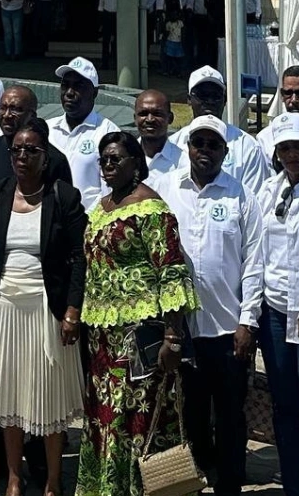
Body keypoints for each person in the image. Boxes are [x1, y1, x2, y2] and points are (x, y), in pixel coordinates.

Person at [0, 114, 86, 496]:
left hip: (46, 310)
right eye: (16, 149)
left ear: (45, 156)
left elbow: (80, 257)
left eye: (30, 150)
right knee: (10, 394)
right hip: (1, 308)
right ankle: (14, 477)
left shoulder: (62, 196)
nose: (22, 156)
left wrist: (72, 310)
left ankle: (52, 480)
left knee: (47, 398)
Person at [77, 131, 196, 496]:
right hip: (102, 338)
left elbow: (172, 272)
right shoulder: (101, 207)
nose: (108, 166)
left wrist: (173, 339)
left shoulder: (152, 208)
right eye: (103, 160)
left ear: (136, 164)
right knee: (105, 418)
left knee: (139, 418)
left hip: (139, 338)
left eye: (115, 159)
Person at [156, 115, 261, 496]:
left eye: (213, 145)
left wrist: (248, 322)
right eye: (198, 143)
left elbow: (254, 263)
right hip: (182, 328)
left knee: (231, 416)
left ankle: (230, 484)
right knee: (191, 414)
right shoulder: (167, 188)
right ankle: (195, 481)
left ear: (225, 151)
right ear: (188, 147)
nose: (205, 150)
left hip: (227, 328)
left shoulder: (241, 195)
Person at [255, 114, 299, 496]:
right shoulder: (268, 191)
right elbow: (257, 253)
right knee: (285, 407)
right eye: (285, 148)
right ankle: (294, 486)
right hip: (276, 313)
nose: (293, 155)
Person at [185, 66, 269, 195]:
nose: (210, 101)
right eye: (203, 95)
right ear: (189, 100)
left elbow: (254, 197)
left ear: (224, 101)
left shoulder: (247, 146)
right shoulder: (173, 143)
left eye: (216, 96)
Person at [48, 58, 118, 198]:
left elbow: (111, 190)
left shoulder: (109, 133)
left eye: (78, 86)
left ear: (95, 92)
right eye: (65, 85)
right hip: (50, 217)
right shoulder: (47, 129)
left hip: (90, 218)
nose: (69, 92)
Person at [131, 87, 185, 193]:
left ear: (170, 118)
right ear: (135, 118)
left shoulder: (184, 162)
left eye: (157, 114)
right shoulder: (125, 159)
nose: (150, 119)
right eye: (143, 113)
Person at [96, 0, 118, 67]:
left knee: (116, 40)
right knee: (106, 40)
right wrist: (101, 19)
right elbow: (101, 3)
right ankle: (105, 63)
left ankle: (116, 62)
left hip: (117, 15)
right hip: (107, 14)